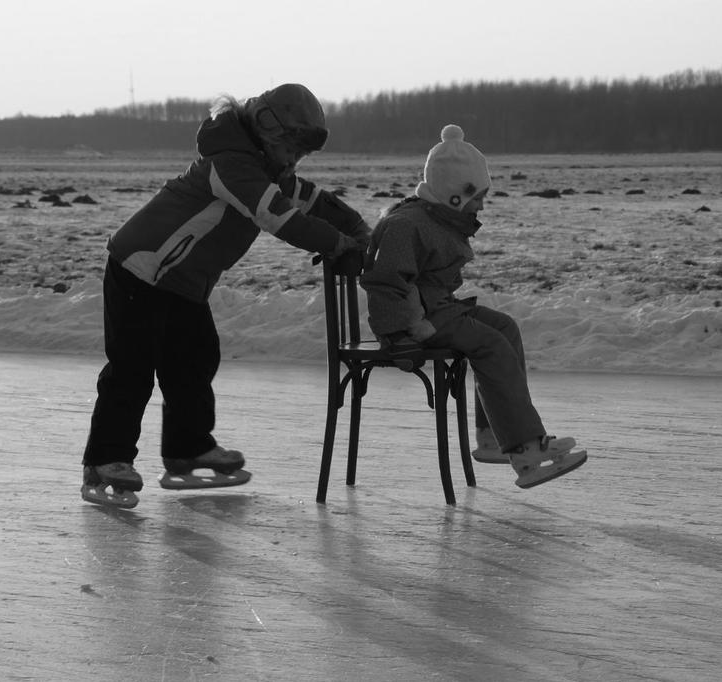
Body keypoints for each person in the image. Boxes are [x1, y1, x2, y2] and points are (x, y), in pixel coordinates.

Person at [81, 83, 371, 508]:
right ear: (267, 128)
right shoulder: (232, 165)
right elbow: (278, 217)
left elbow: (312, 201)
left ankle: (187, 449)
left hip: (182, 284)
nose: (294, 159)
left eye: (300, 153)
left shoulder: (264, 170)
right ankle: (105, 460)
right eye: (291, 147)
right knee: (132, 369)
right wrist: (338, 245)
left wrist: (361, 230)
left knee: (195, 361)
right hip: (141, 269)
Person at [360, 124, 586, 489]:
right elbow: (385, 281)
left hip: (439, 308)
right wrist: (397, 334)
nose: (481, 205)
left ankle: (493, 436)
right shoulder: (407, 225)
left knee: (505, 328)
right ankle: (525, 450)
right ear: (454, 195)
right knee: (490, 346)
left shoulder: (435, 219)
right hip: (418, 322)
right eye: (476, 196)